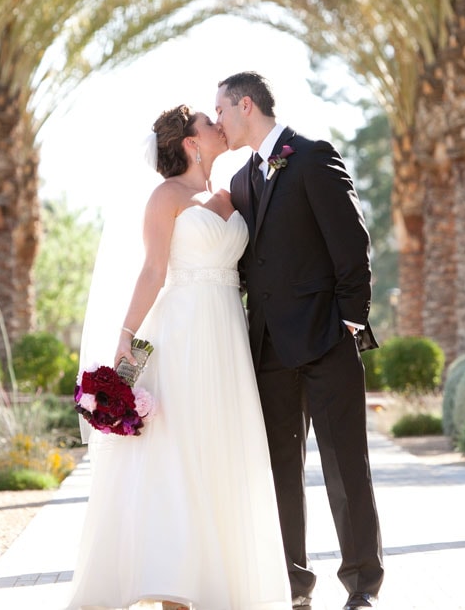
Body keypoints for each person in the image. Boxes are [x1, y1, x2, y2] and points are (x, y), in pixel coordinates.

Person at [67, 105, 291, 610]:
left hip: (227, 334)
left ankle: (221, 585)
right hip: (182, 334)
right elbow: (152, 271)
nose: (218, 125)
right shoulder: (165, 197)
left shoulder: (231, 193)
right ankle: (176, 591)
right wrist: (125, 335)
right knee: (179, 456)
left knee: (222, 450)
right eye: (207, 124)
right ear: (191, 143)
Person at [217, 71, 384, 610]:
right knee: (281, 476)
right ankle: (294, 586)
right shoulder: (242, 179)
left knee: (346, 468)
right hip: (268, 354)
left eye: (220, 109)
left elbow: (352, 244)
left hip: (326, 344)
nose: (217, 120)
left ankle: (362, 586)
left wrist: (350, 324)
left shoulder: (311, 156)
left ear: (246, 105)